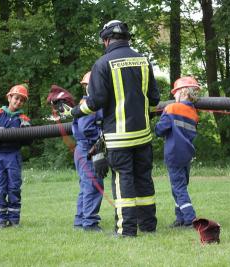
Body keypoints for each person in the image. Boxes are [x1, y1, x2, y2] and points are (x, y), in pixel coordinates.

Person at [61, 20, 160, 237]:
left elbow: (95, 102)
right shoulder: (144, 61)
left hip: (118, 138)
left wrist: (74, 112)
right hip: (143, 135)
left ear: (106, 40)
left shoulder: (102, 64)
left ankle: (126, 230)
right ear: (126, 38)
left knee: (123, 179)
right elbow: (154, 99)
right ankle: (149, 225)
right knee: (144, 178)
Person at [155, 76, 200, 228]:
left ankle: (190, 218)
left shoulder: (172, 108)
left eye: (175, 92)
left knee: (179, 188)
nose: (173, 95)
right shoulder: (194, 113)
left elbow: (160, 130)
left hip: (173, 154)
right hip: (186, 155)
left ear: (183, 92)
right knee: (180, 187)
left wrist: (161, 119)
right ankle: (179, 218)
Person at [0, 84, 31, 228]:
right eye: (16, 98)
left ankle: (14, 220)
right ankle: (1, 221)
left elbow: (28, 141)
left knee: (14, 188)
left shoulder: (23, 119)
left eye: (22, 100)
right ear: (9, 97)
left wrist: (26, 131)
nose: (18, 102)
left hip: (13, 157)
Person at [72, 71, 105, 232]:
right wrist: (100, 138)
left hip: (83, 149)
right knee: (94, 185)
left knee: (86, 185)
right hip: (88, 149)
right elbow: (86, 128)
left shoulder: (92, 104)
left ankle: (80, 220)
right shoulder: (89, 105)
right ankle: (90, 223)